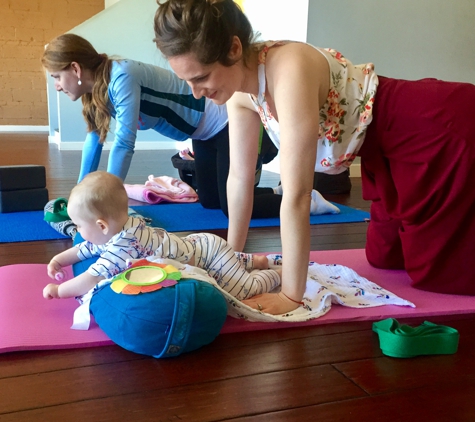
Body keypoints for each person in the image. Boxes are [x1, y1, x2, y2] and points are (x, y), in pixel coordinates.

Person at [153, 0, 475, 314]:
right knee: (384, 258)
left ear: (234, 49)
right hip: (382, 154)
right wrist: (232, 261)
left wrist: (292, 294)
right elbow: (239, 179)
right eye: (187, 81)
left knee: (434, 271)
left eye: (201, 78)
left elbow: (297, 194)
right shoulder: (240, 96)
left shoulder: (289, 67)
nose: (196, 92)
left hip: (431, 128)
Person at [41, 33, 335, 219]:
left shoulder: (122, 76)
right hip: (201, 134)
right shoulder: (96, 95)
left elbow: (124, 142)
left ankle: (307, 201)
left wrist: (103, 201)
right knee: (208, 202)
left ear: (76, 69)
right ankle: (279, 193)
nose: (56, 86)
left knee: (230, 207)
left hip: (224, 120)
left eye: (57, 76)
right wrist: (79, 194)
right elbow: (94, 141)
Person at [43, 171, 281, 301]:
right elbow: (84, 249)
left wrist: (58, 291)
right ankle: (254, 261)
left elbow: (90, 279)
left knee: (242, 292)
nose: (79, 233)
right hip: (198, 246)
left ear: (102, 226)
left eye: (78, 226)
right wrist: (58, 260)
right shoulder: (123, 226)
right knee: (229, 264)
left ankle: (274, 273)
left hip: (209, 256)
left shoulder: (122, 247)